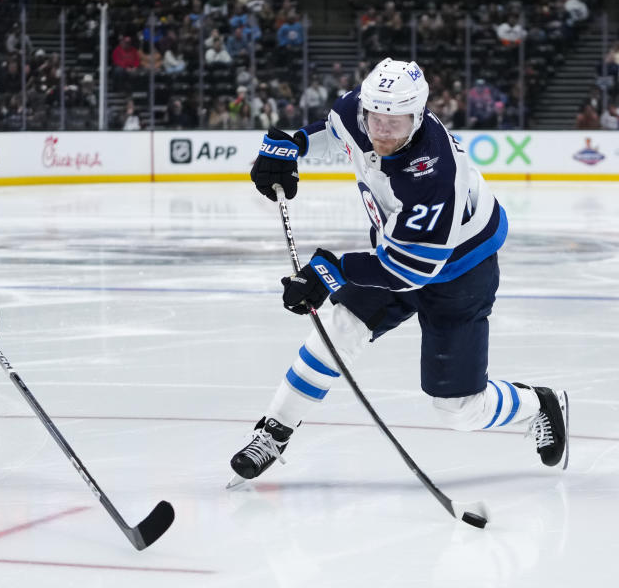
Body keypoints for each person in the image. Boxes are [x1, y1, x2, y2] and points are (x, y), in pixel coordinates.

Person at [231, 58, 569, 485]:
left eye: (397, 121)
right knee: (335, 330)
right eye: (375, 118)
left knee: (459, 410)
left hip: (459, 274)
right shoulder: (359, 112)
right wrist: (292, 144)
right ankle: (274, 431)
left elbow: (411, 272)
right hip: (396, 253)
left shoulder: (434, 173)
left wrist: (331, 272)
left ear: (421, 114)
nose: (382, 131)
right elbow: (333, 135)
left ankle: (539, 403)